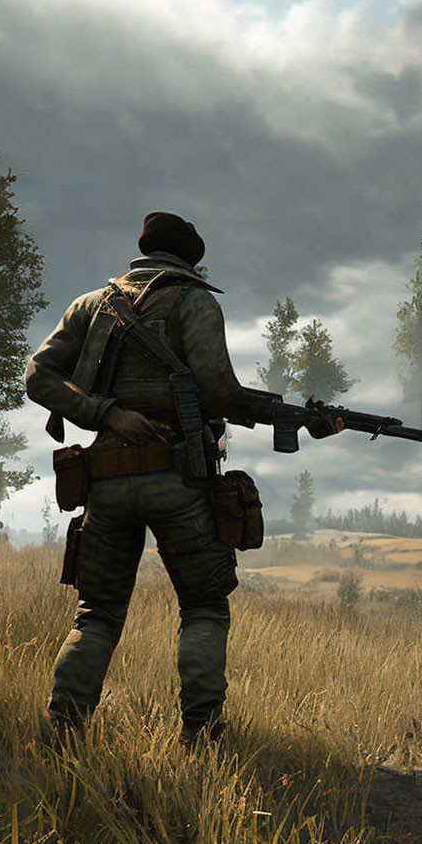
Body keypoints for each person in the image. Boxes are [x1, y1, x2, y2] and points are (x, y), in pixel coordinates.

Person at [25, 211, 253, 745]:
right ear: (190, 260)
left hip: (106, 481)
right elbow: (220, 392)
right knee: (203, 606)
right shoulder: (196, 301)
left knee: (96, 614)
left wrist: (106, 414)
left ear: (144, 251)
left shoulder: (92, 305)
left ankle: (63, 732)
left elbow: (39, 375)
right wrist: (297, 417)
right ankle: (201, 735)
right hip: (178, 479)